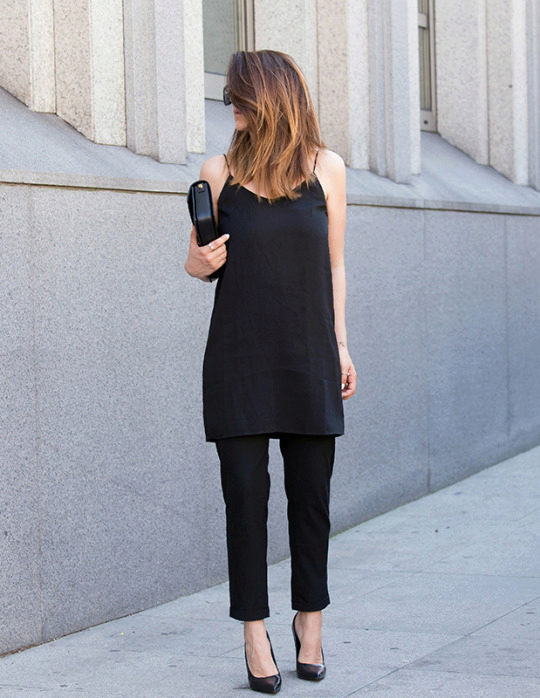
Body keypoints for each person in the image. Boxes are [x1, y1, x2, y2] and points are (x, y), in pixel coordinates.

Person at [184, 49, 356, 694]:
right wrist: (200, 262)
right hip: (239, 358)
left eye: (238, 97)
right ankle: (254, 632)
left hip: (308, 354)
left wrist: (342, 346)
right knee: (245, 500)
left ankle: (310, 620)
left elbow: (335, 265)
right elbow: (196, 263)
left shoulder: (327, 169)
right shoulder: (219, 172)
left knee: (311, 500)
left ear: (271, 98)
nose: (230, 106)